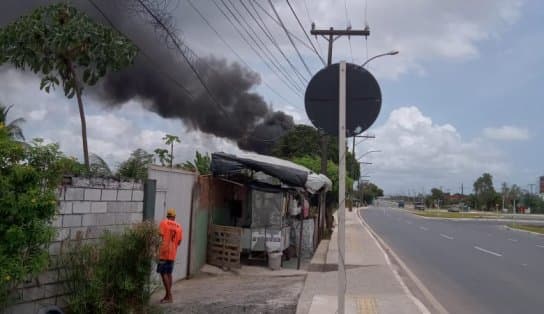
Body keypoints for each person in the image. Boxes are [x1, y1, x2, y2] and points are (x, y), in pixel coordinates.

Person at [157, 208, 183, 303]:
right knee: (169, 274)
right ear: (174, 217)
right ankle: (167, 296)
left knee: (163, 273)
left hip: (164, 253)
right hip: (172, 254)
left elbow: (160, 236)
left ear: (167, 216)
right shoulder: (179, 226)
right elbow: (179, 242)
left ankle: (169, 296)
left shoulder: (164, 223)